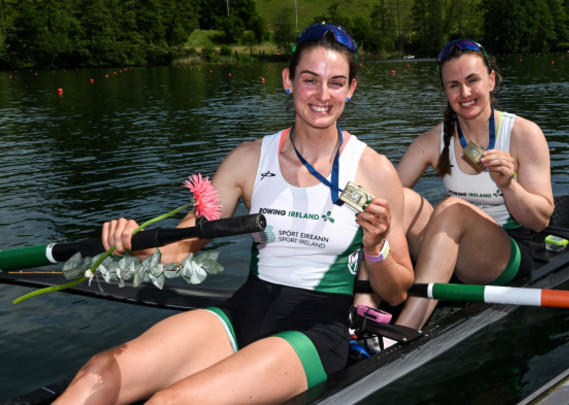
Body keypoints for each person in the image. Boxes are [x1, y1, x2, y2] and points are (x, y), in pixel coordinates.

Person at [54, 23, 413, 404]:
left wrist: (375, 247)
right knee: (102, 370)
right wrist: (132, 241)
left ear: (351, 90)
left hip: (317, 331)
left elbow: (396, 290)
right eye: (310, 80)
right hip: (245, 311)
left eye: (336, 83)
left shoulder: (374, 171)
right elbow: (180, 248)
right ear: (288, 80)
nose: (323, 95)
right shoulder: (247, 160)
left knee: (171, 402)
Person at [394, 39, 554, 330]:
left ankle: (404, 329)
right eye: (453, 85)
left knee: (453, 208)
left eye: (472, 80)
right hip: (453, 253)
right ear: (445, 90)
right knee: (399, 200)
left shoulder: (524, 134)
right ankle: (366, 305)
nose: (464, 93)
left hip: (507, 253)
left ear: (491, 80)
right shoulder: (433, 140)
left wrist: (509, 185)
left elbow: (541, 221)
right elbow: (386, 198)